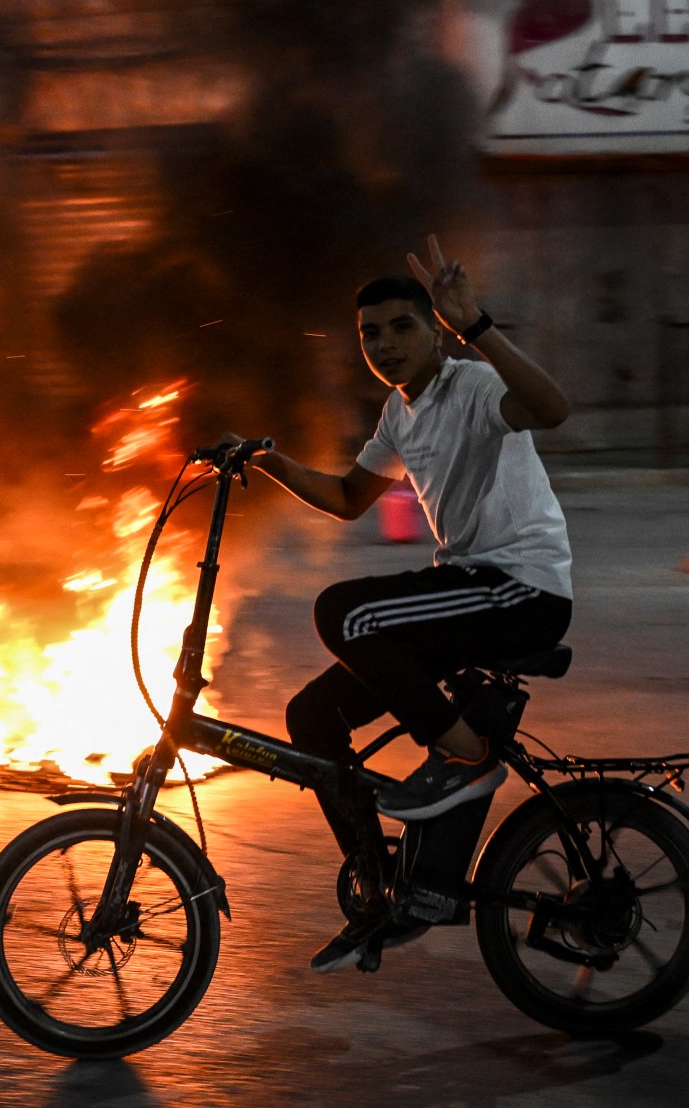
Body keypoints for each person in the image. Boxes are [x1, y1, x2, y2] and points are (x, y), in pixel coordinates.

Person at [242, 236, 574, 973]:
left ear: (434, 330)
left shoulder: (473, 385)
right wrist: (270, 462)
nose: (384, 345)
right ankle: (380, 880)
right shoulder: (401, 412)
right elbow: (349, 499)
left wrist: (477, 326)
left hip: (520, 588)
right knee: (311, 718)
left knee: (347, 613)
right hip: (467, 588)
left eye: (401, 328)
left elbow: (552, 408)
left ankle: (466, 755)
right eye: (370, 333)